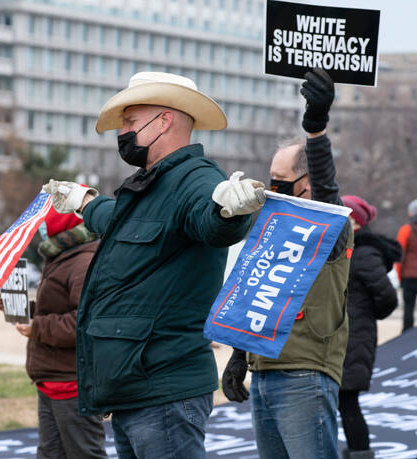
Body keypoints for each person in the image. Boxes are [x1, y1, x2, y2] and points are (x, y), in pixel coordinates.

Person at [44, 72, 264, 458]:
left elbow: (210, 220)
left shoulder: (194, 178)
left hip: (163, 390)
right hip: (139, 389)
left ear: (163, 121)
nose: (123, 133)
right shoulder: (152, 183)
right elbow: (119, 221)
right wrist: (84, 201)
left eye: (130, 122)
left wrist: (230, 210)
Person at [222, 68, 354, 459]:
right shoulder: (271, 228)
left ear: (306, 184)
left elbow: (328, 192)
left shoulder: (332, 226)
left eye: (280, 180)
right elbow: (255, 293)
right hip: (265, 370)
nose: (271, 187)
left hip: (304, 373)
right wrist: (238, 355)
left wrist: (315, 130)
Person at [0, 208, 107, 459]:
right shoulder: (61, 257)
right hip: (50, 380)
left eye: (47, 221)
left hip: (73, 383)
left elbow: (85, 321)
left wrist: (38, 328)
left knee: (84, 453)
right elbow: (56, 308)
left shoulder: (82, 262)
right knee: (50, 454)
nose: (42, 227)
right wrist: (24, 309)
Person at [338, 195, 400, 459]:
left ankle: (360, 452)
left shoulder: (363, 253)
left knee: (347, 401)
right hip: (349, 336)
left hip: (354, 338)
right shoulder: (348, 250)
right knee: (342, 402)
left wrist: (363, 315)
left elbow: (388, 298)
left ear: (355, 222)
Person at [396, 199, 417, 332]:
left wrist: (399, 276)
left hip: (408, 276)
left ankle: (407, 334)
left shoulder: (406, 230)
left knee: (408, 308)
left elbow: (399, 255)